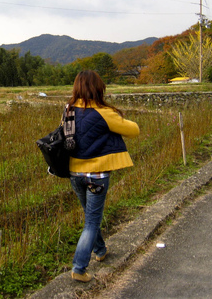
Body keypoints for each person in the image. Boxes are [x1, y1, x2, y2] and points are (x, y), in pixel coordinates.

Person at [66, 70, 140, 282]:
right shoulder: (103, 112)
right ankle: (79, 268)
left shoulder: (68, 109)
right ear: (98, 88)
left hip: (75, 174)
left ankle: (100, 250)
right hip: (97, 176)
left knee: (90, 217)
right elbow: (134, 130)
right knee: (91, 222)